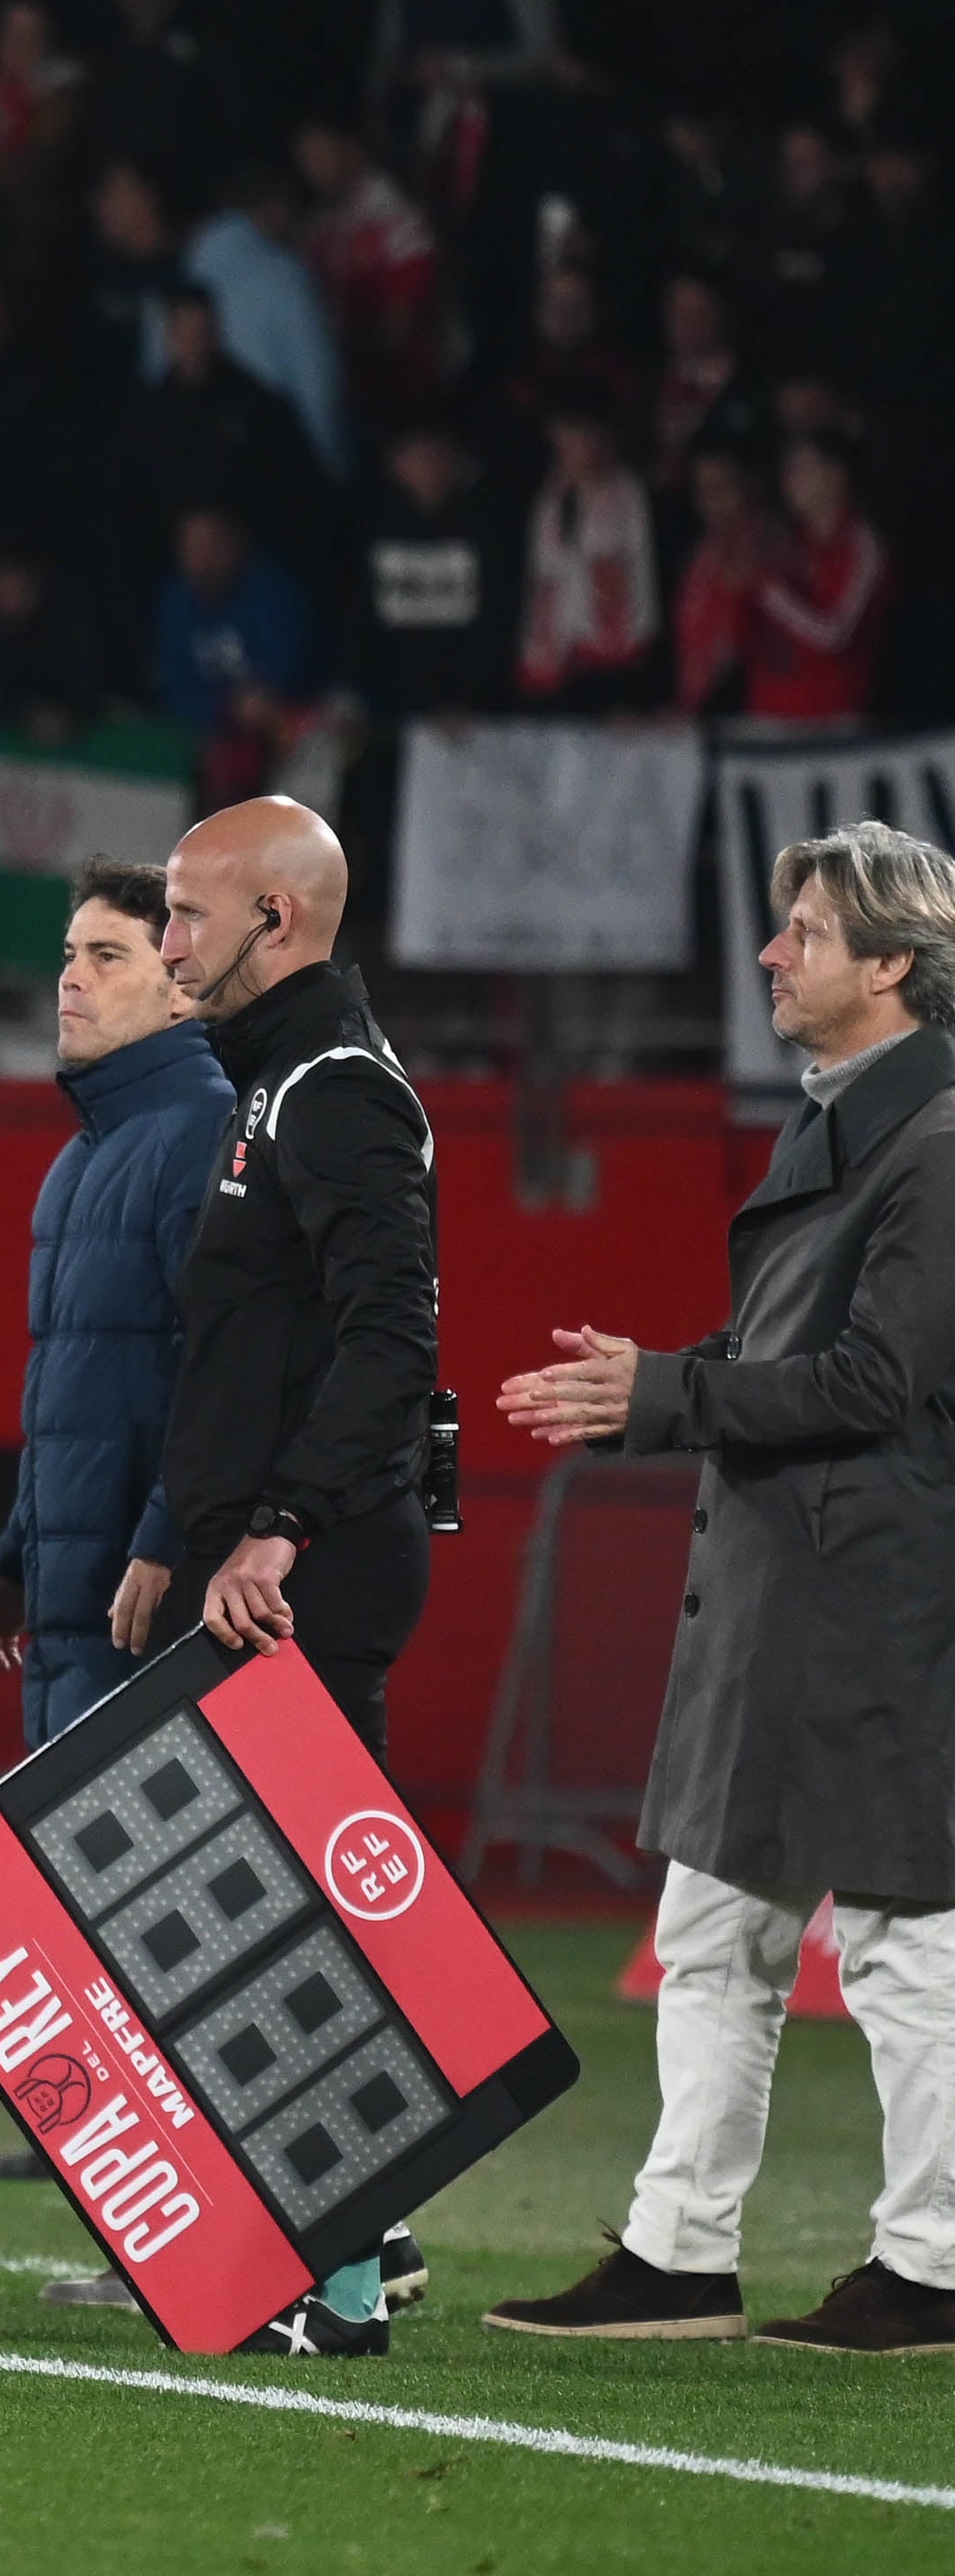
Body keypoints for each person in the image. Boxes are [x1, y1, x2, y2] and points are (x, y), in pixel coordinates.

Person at [486, 822, 955, 2358]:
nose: (771, 952)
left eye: (806, 930)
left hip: (881, 1600)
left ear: (895, 961)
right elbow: (804, 1363)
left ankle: (937, 2263)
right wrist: (669, 1385)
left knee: (904, 1940)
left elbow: (878, 1381)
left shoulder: (940, 1141)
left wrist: (667, 1390)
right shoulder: (851, 1124)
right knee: (712, 1934)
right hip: (793, 1593)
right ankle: (680, 2250)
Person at [149, 795, 443, 2356]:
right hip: (256, 1558)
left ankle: (330, 2277)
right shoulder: (280, 1085)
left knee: (302, 1916)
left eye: (191, 912)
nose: (169, 936)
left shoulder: (334, 1094)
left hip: (299, 1571)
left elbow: (396, 1336)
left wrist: (278, 1525)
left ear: (280, 920)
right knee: (286, 1904)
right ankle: (368, 2234)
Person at [0, 858, 231, 2245]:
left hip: (141, 1604)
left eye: (106, 954)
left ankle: (302, 2233)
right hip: (70, 1597)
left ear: (185, 977)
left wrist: (164, 1543)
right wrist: (13, 1551)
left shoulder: (202, 1130)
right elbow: (77, 1400)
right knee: (103, 1922)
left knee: (170, 1924)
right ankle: (192, 2230)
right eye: (68, 952)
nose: (69, 976)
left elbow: (214, 1377)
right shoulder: (82, 1157)